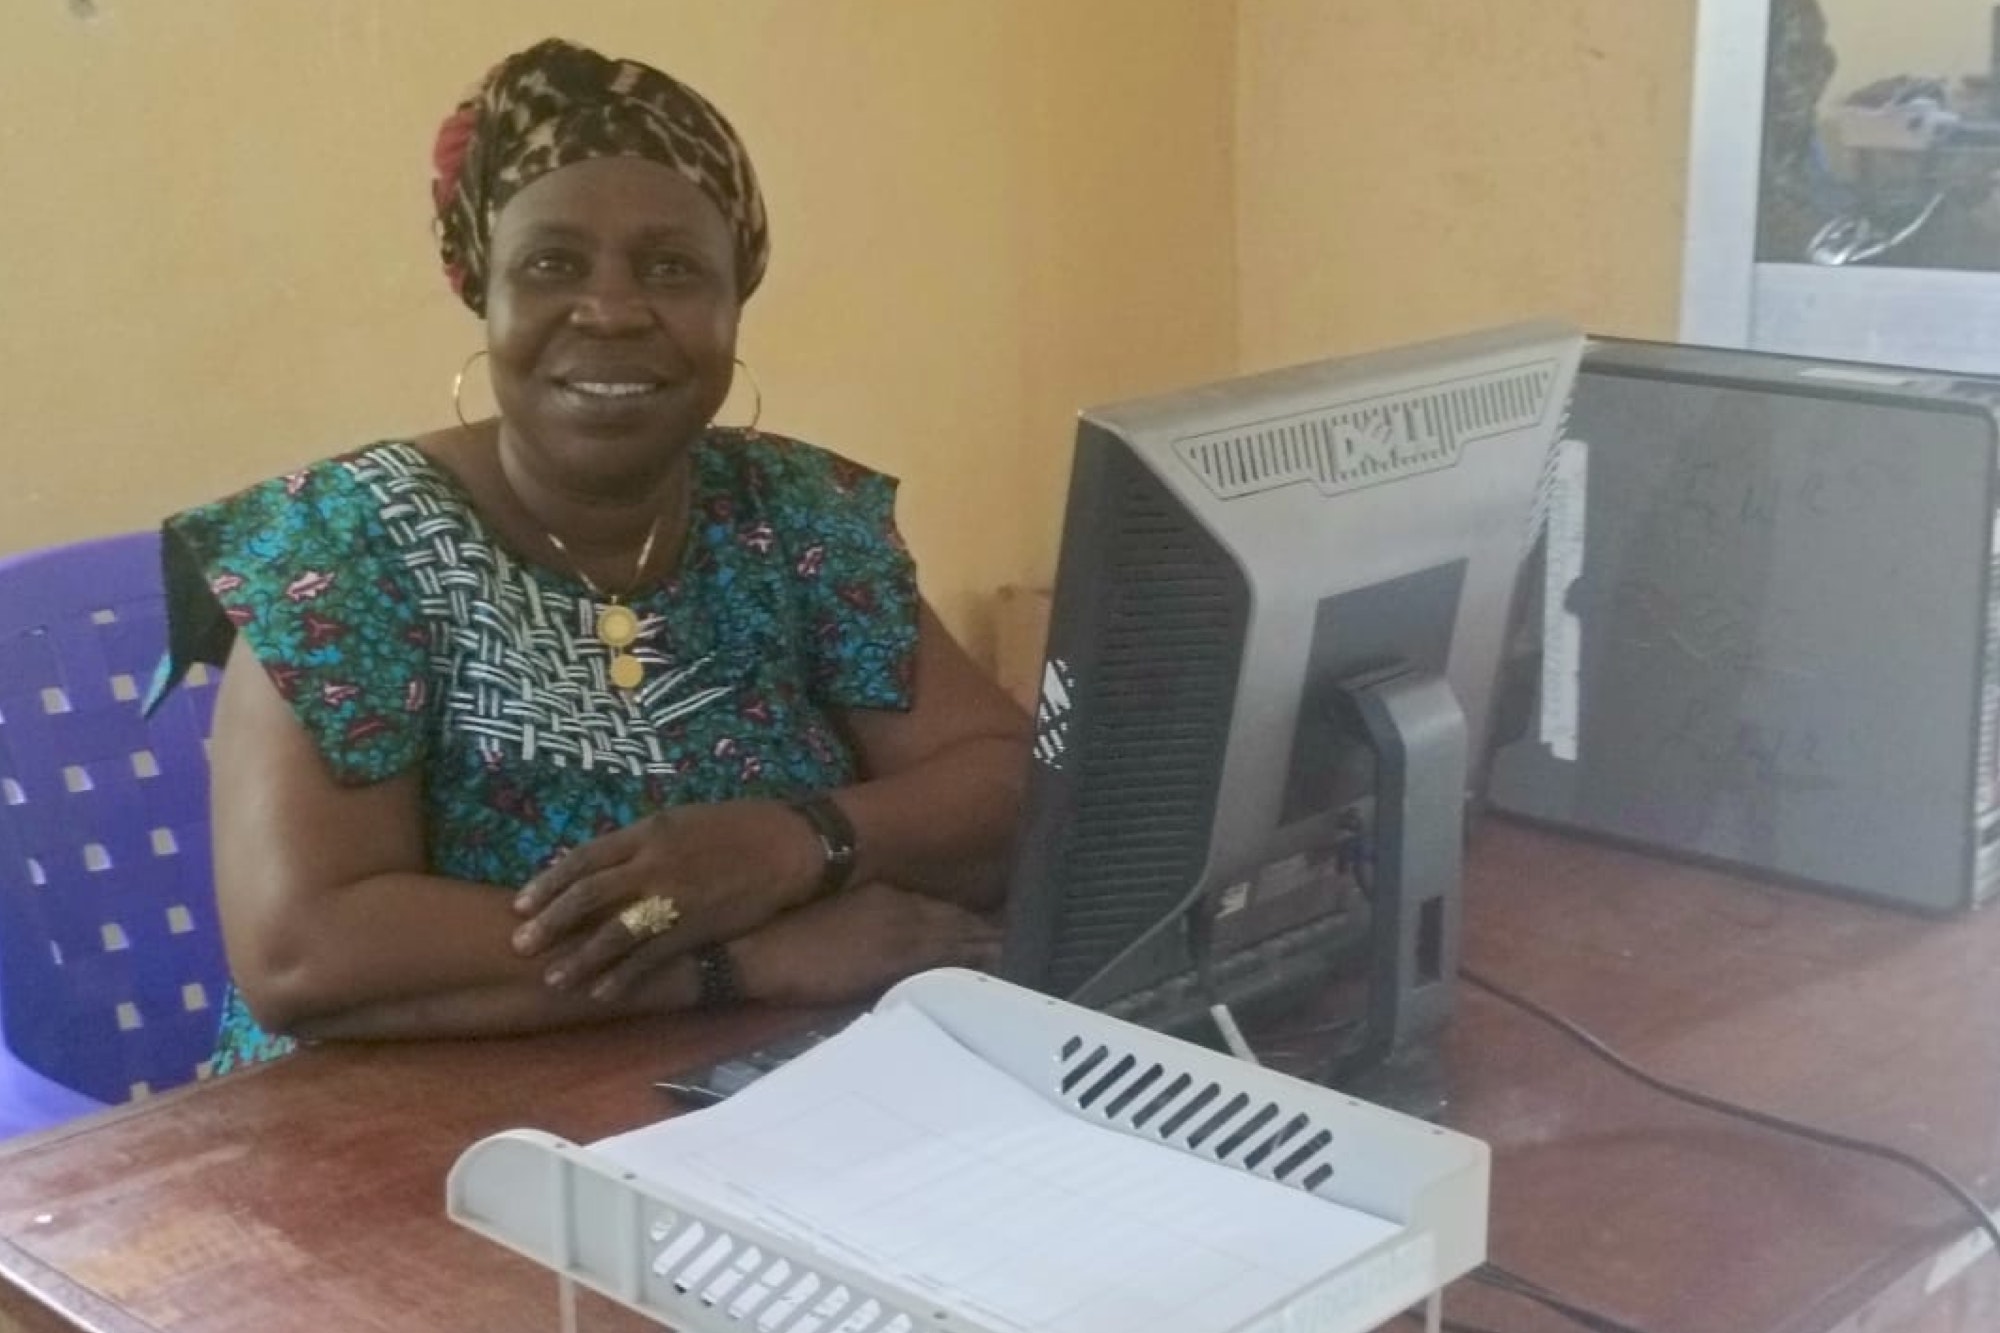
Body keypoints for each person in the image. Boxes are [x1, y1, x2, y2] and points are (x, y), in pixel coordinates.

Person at [149, 37, 1031, 1074]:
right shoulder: (343, 551)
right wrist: (738, 956)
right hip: (380, 1132)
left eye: (671, 268)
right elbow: (307, 952)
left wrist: (799, 838)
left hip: (749, 1094)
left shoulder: (797, 516)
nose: (611, 309)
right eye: (552, 265)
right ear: (484, 291)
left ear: (733, 299)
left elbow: (1008, 781)